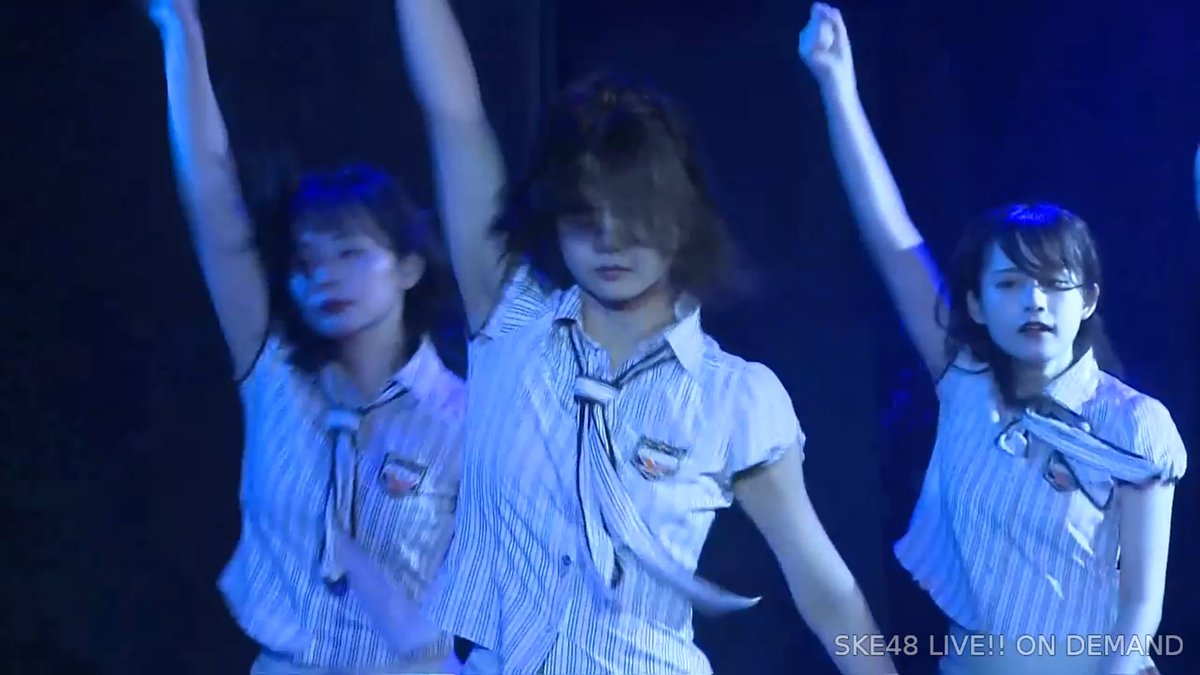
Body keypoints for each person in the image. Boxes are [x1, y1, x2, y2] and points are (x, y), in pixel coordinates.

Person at [398, 3, 896, 674]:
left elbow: (826, 590)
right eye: (586, 215)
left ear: (680, 218)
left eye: (634, 214)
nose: (611, 239)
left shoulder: (734, 398)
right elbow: (455, 118)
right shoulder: (510, 320)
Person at [798, 4, 1187, 674]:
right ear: (976, 303)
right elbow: (893, 241)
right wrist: (839, 86)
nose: (1034, 300)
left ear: (1088, 299)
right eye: (1010, 284)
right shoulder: (966, 385)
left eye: (1055, 284)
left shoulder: (1135, 423)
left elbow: (1141, 607)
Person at [146, 1, 467, 672]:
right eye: (306, 262)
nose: (325, 276)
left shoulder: (463, 419)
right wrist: (181, 30)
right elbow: (210, 195)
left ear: (408, 266)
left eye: (350, 253)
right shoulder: (275, 375)